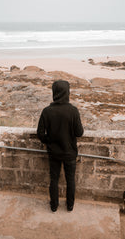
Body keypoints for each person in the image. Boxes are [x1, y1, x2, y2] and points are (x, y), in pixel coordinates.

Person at [37, 80, 84, 212]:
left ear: (54, 92)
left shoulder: (47, 111)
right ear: (67, 92)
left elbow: (40, 133)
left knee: (54, 179)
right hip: (69, 152)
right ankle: (70, 205)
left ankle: (54, 205)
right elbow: (79, 132)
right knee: (70, 180)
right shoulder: (73, 111)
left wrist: (50, 140)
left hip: (53, 152)